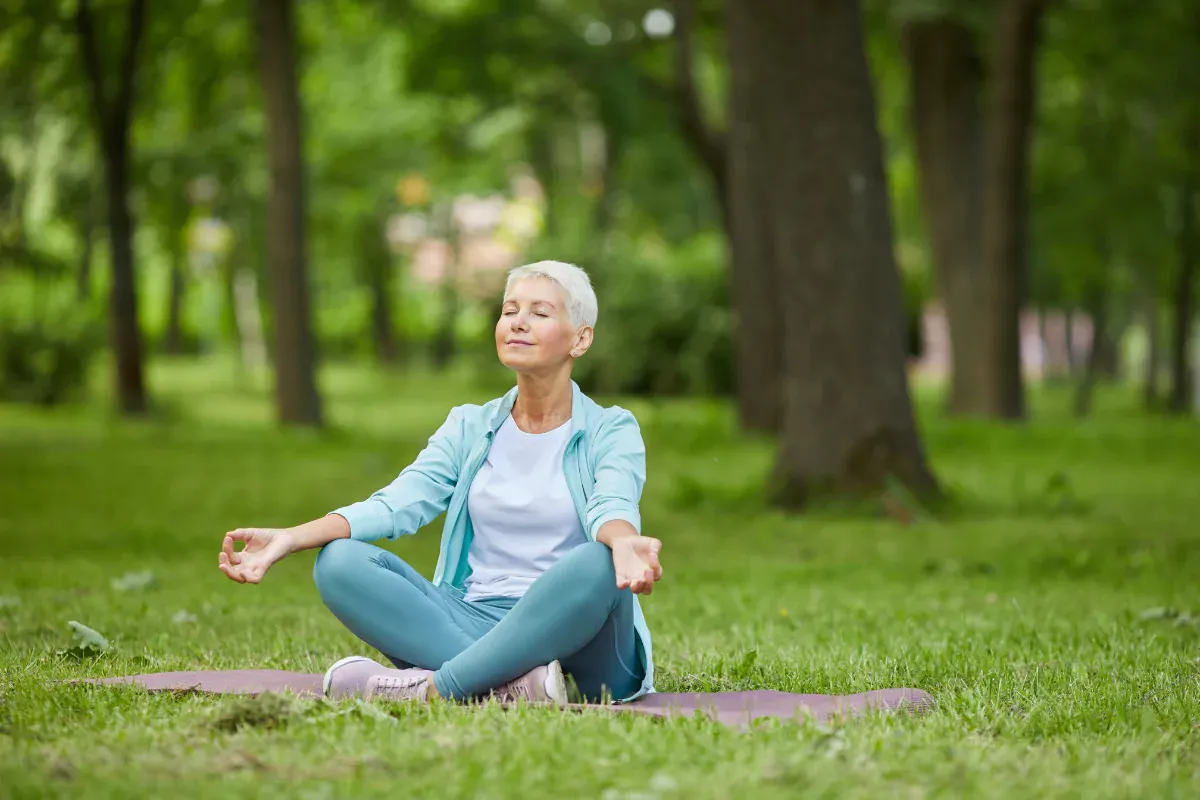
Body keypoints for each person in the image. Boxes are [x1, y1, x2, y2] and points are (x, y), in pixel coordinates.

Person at [217, 260, 663, 707]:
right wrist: (291, 538)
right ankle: (514, 686)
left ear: (580, 338)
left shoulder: (611, 429)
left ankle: (434, 688)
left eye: (540, 313)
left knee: (598, 562)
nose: (518, 323)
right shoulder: (469, 426)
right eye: (510, 311)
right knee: (338, 562)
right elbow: (397, 503)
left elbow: (612, 501)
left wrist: (623, 543)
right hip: (471, 620)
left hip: (584, 639)